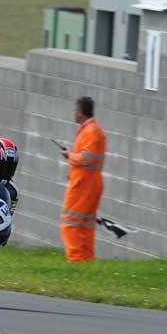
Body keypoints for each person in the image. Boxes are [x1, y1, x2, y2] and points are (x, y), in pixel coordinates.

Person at [58, 97, 106, 262]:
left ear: (80, 111)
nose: (73, 113)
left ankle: (76, 260)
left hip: (84, 184)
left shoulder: (91, 131)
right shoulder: (90, 130)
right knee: (85, 225)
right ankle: (86, 260)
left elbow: (86, 159)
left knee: (69, 224)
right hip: (87, 182)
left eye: (75, 110)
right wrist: (71, 157)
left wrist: (69, 155)